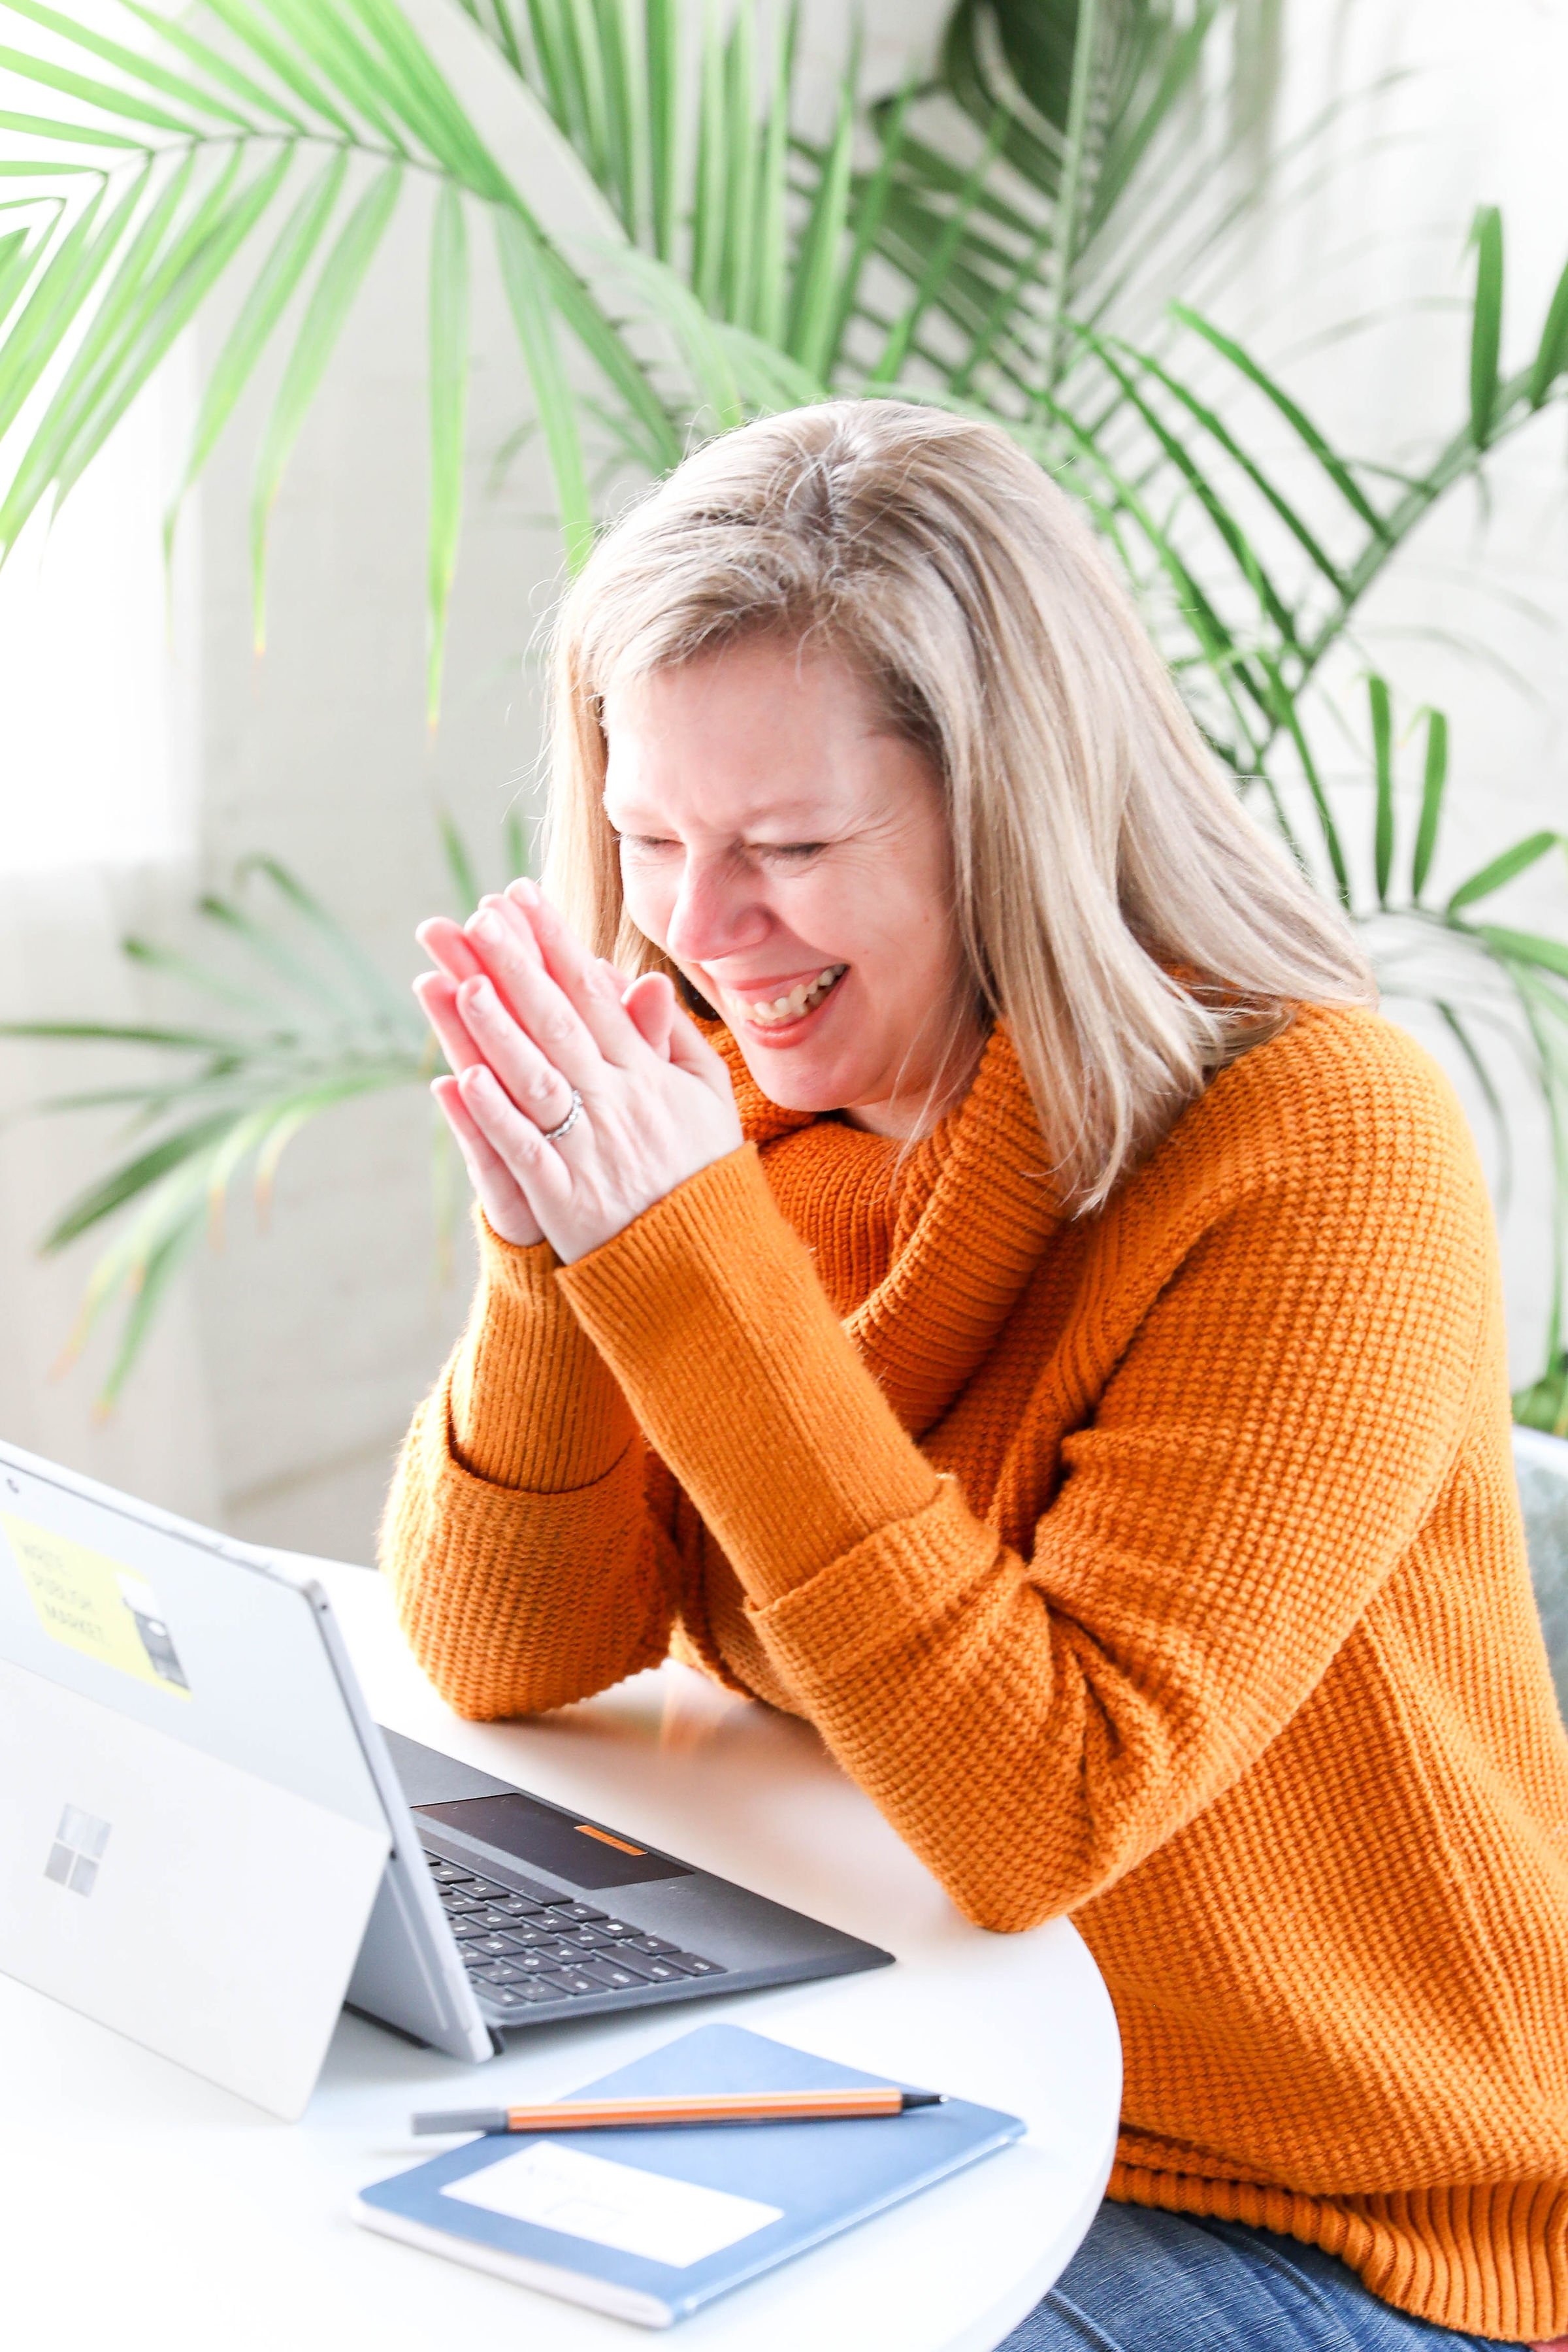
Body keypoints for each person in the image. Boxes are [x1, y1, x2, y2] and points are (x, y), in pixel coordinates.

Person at [384, 400, 1568, 2350]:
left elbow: (1041, 1812)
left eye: (785, 847)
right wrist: (551, 1237)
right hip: (899, 2069)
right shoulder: (721, 1104)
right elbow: (516, 1650)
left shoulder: (1319, 1146)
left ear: (1011, 808)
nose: (697, 933)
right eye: (650, 840)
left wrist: (671, 1260)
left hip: (1316, 2200)